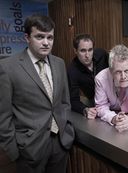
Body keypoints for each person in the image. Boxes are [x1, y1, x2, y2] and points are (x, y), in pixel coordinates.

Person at [0, 14, 74, 173]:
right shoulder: (7, 67)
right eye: (40, 37)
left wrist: (66, 129)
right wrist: (14, 152)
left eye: (50, 37)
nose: (46, 43)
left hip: (61, 143)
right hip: (29, 148)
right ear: (27, 37)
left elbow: (64, 102)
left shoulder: (59, 63)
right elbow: (3, 116)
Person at [67, 34, 108, 119]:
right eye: (83, 51)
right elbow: (73, 99)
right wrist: (84, 109)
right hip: (95, 101)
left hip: (113, 96)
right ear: (75, 51)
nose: (87, 55)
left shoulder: (102, 54)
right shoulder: (72, 70)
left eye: (90, 50)